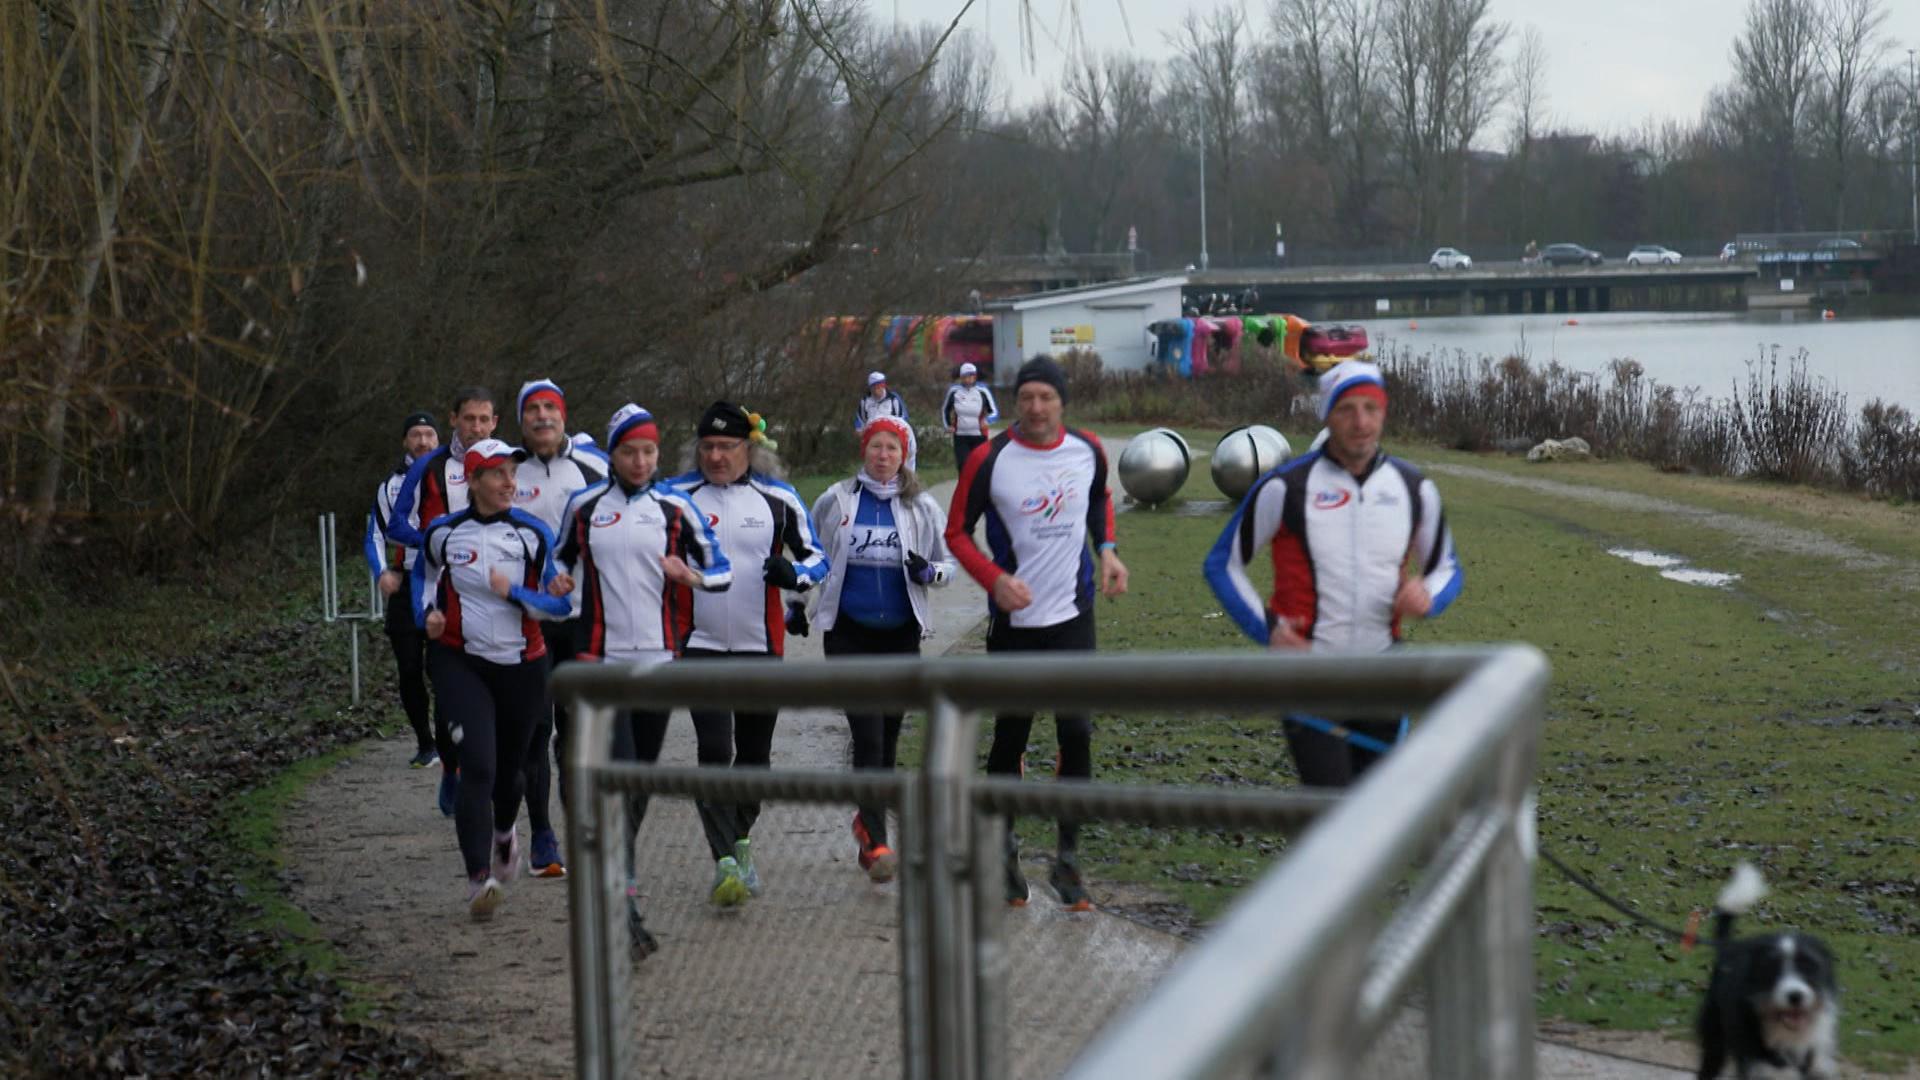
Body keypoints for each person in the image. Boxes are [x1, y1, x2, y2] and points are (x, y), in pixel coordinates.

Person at [1202, 360, 1463, 787]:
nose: (1361, 422)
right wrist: (1268, 629)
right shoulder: (1286, 487)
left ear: (1384, 413)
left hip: (1384, 675)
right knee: (1331, 806)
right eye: (1346, 409)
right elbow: (1221, 564)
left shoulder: (1413, 487)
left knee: (1378, 807)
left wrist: (1428, 595)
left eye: (1371, 408)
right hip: (1311, 676)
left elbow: (1446, 567)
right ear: (1327, 415)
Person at [945, 355, 1128, 911]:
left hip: (1073, 616)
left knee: (1077, 732)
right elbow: (956, 532)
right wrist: (994, 580)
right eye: (1026, 396)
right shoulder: (990, 457)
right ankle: (1003, 851)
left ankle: (1068, 861)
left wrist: (1108, 550)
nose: (1036, 406)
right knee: (1011, 736)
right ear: (1016, 401)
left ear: (1062, 402)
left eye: (1046, 396)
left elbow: (1098, 499)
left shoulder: (1088, 449)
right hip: (1015, 624)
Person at [550, 403, 732, 954]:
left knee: (640, 781)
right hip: (601, 664)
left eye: (649, 451)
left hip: (659, 662)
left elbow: (722, 571)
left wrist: (691, 576)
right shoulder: (585, 507)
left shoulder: (674, 507)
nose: (640, 461)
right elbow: (558, 560)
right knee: (623, 774)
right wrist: (558, 582)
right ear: (613, 455)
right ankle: (622, 903)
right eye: (629, 451)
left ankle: (616, 880)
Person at [666, 402, 829, 906]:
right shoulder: (675, 497)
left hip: (762, 645)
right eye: (708, 447)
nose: (716, 456)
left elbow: (818, 558)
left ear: (748, 449)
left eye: (727, 447)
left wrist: (795, 574)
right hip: (699, 644)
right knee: (715, 750)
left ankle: (739, 839)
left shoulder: (778, 498)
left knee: (755, 756)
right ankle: (724, 862)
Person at [411, 438, 571, 920]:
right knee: (477, 765)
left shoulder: (533, 533)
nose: (509, 482)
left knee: (510, 773)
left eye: (513, 474)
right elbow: (424, 579)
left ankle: (505, 832)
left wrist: (519, 593)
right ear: (474, 480)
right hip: (461, 662)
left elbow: (560, 605)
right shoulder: (443, 533)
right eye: (498, 473)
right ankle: (479, 878)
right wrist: (427, 615)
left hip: (523, 665)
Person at [806, 416, 954, 883]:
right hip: (849, 634)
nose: (883, 456)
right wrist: (797, 602)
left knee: (887, 736)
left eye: (892, 448)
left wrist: (929, 573)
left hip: (900, 636)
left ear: (904, 455)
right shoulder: (836, 499)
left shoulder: (921, 505)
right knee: (867, 734)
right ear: (864, 451)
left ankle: (867, 821)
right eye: (876, 447)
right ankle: (876, 838)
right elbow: (811, 554)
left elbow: (948, 564)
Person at [510, 378, 609, 880]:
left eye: (551, 407)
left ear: (564, 416)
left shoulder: (596, 467)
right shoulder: (507, 470)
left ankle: (581, 829)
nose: (542, 416)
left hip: (583, 620)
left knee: (576, 733)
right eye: (533, 409)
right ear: (521, 419)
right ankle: (543, 836)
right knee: (535, 728)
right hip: (526, 620)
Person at [388, 386, 500, 816]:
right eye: (469, 418)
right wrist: (439, 541)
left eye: (484, 419)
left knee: (495, 688)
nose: (477, 427)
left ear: (495, 423)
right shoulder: (429, 467)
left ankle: (489, 772)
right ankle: (451, 767)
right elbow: (397, 525)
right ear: (453, 420)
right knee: (450, 690)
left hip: (494, 595)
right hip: (440, 593)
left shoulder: (508, 463)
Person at [364, 410, 442, 769]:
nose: (423, 441)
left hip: (446, 582)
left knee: (443, 667)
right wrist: (381, 572)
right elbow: (375, 535)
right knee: (409, 669)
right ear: (404, 441)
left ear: (438, 439)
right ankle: (426, 743)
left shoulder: (454, 476)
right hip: (406, 581)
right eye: (416, 435)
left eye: (429, 434)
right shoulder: (390, 485)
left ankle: (451, 738)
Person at [941, 362, 998, 469]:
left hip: (979, 435)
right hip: (960, 436)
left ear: (975, 377)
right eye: (965, 377)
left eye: (971, 376)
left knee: (979, 466)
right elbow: (945, 409)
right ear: (961, 377)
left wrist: (987, 421)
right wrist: (948, 425)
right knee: (963, 465)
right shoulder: (954, 391)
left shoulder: (983, 390)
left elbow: (994, 412)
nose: (968, 380)